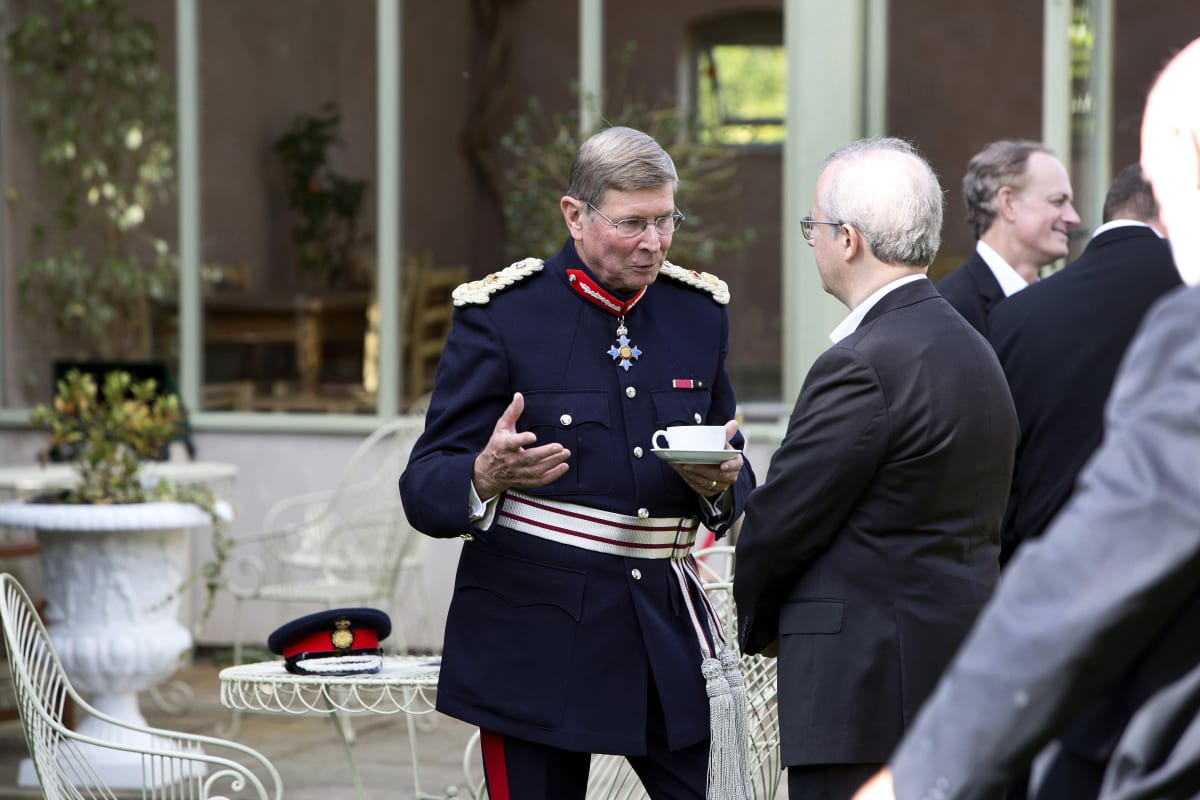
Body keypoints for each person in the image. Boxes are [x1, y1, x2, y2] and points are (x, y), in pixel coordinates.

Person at [851, 36, 1200, 800]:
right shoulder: (952, 314)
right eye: (1058, 199)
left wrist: (919, 776)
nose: (1073, 219)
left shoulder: (1184, 328)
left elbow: (1107, 548)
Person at [399, 125, 755, 800]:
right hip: (534, 641)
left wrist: (721, 489)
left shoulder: (698, 315)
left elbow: (734, 466)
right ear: (574, 215)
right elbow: (423, 484)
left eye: (665, 221)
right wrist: (482, 476)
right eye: (632, 224)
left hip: (662, 631)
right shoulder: (503, 316)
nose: (653, 243)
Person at [732, 137, 1019, 800]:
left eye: (813, 227)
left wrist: (761, 625)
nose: (811, 242)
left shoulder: (861, 365)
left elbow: (780, 524)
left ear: (849, 239)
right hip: (956, 671)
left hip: (861, 694)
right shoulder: (973, 347)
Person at [989, 164, 1181, 567]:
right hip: (1169, 573)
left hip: (1044, 570)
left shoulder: (1014, 316)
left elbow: (1001, 468)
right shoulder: (1187, 291)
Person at [936, 139, 1081, 336]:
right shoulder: (951, 309)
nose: (1073, 218)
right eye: (1057, 201)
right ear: (1008, 203)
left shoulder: (1062, 305)